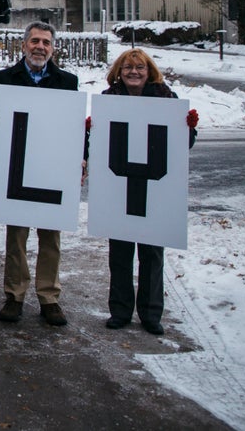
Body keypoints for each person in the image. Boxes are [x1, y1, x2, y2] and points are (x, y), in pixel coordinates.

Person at [0, 21, 79, 327]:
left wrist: (80, 158)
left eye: (46, 42)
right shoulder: (4, 79)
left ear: (53, 48)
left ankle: (49, 297)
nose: (40, 47)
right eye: (35, 41)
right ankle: (15, 295)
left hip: (51, 168)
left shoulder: (66, 82)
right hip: (16, 168)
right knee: (16, 236)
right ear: (23, 45)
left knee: (51, 236)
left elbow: (74, 126)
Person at [96, 48, 198, 335]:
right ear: (119, 71)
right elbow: (101, 142)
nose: (133, 72)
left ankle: (151, 313)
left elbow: (183, 146)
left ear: (148, 71)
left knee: (152, 253)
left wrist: (188, 128)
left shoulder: (167, 99)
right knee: (120, 252)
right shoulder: (110, 99)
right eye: (127, 67)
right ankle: (120, 310)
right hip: (121, 186)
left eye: (139, 67)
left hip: (155, 188)